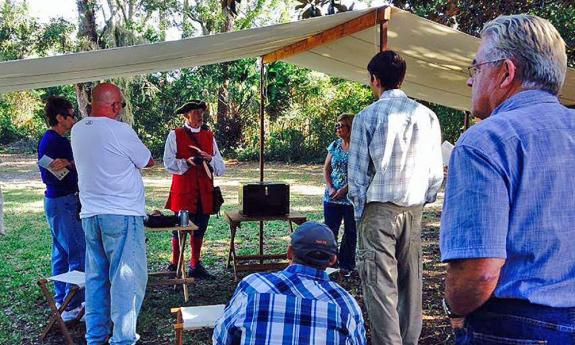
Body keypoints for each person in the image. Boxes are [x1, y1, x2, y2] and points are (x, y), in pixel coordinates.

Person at [440, 15, 575, 345]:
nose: (471, 81)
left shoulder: (484, 141)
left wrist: (451, 306)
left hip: (513, 328)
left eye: (476, 68)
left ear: (506, 72)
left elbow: (480, 271)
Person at [347, 50, 444, 345]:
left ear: (375, 80)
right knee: (411, 283)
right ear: (402, 79)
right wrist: (423, 198)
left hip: (378, 209)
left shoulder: (367, 116)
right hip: (413, 208)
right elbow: (435, 171)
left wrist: (360, 212)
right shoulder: (426, 116)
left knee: (380, 285)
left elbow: (357, 175)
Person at [71, 83, 154, 345]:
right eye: (121, 105)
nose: (121, 109)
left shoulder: (77, 130)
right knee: (126, 279)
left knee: (96, 280)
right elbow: (147, 161)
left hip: (91, 214)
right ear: (115, 106)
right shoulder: (120, 130)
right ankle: (122, 339)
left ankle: (95, 337)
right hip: (122, 213)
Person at [212, 221, 366, 345]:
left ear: (290, 253)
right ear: (333, 260)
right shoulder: (346, 305)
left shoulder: (253, 286)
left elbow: (221, 338)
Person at [163, 100, 225, 279]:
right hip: (183, 191)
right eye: (196, 112)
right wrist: (187, 162)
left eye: (201, 112)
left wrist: (209, 159)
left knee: (200, 227)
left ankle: (195, 265)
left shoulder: (209, 135)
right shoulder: (175, 135)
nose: (200, 115)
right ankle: (175, 264)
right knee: (178, 228)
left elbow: (220, 166)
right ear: (186, 115)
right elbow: (168, 163)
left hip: (204, 191)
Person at [38, 96, 85, 321]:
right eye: (71, 115)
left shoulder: (50, 139)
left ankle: (61, 299)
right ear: (60, 118)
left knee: (61, 252)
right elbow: (79, 164)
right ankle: (72, 305)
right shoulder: (57, 142)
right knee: (77, 251)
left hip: (55, 201)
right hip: (63, 201)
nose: (74, 119)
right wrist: (70, 163)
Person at [323, 113, 356, 275]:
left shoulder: (359, 147)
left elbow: (362, 172)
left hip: (351, 198)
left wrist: (346, 189)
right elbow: (327, 168)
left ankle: (347, 265)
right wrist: (330, 188)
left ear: (350, 128)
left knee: (350, 232)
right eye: (337, 125)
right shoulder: (334, 145)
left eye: (341, 125)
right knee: (330, 230)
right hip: (332, 197)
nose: (338, 128)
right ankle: (331, 263)